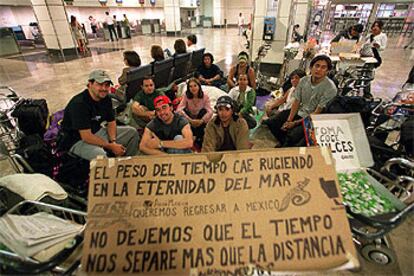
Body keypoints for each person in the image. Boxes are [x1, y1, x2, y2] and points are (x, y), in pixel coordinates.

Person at [58, 69, 139, 161]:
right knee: (101, 157)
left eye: (107, 85)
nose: (104, 88)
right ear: (90, 84)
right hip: (78, 140)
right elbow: (86, 136)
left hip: (97, 132)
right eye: (100, 84)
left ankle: (127, 164)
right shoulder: (79, 104)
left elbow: (111, 122)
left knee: (132, 133)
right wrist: (110, 146)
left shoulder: (106, 98)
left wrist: (113, 142)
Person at [270, 55, 337, 147]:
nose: (319, 69)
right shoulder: (303, 80)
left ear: (327, 71)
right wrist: (289, 120)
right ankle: (284, 144)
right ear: (311, 67)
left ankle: (287, 146)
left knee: (293, 135)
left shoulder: (330, 88)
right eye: (317, 66)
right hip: (300, 112)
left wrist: (294, 123)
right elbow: (296, 101)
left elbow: (317, 112)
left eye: (323, 67)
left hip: (314, 119)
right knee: (273, 122)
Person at [177, 78, 213, 147]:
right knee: (183, 111)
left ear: (199, 86)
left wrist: (201, 120)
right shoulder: (186, 96)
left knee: (204, 111)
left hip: (200, 119)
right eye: (190, 86)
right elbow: (179, 109)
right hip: (189, 119)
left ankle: (198, 138)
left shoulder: (205, 97)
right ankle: (191, 136)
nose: (193, 88)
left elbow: (210, 111)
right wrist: (190, 120)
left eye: (195, 86)